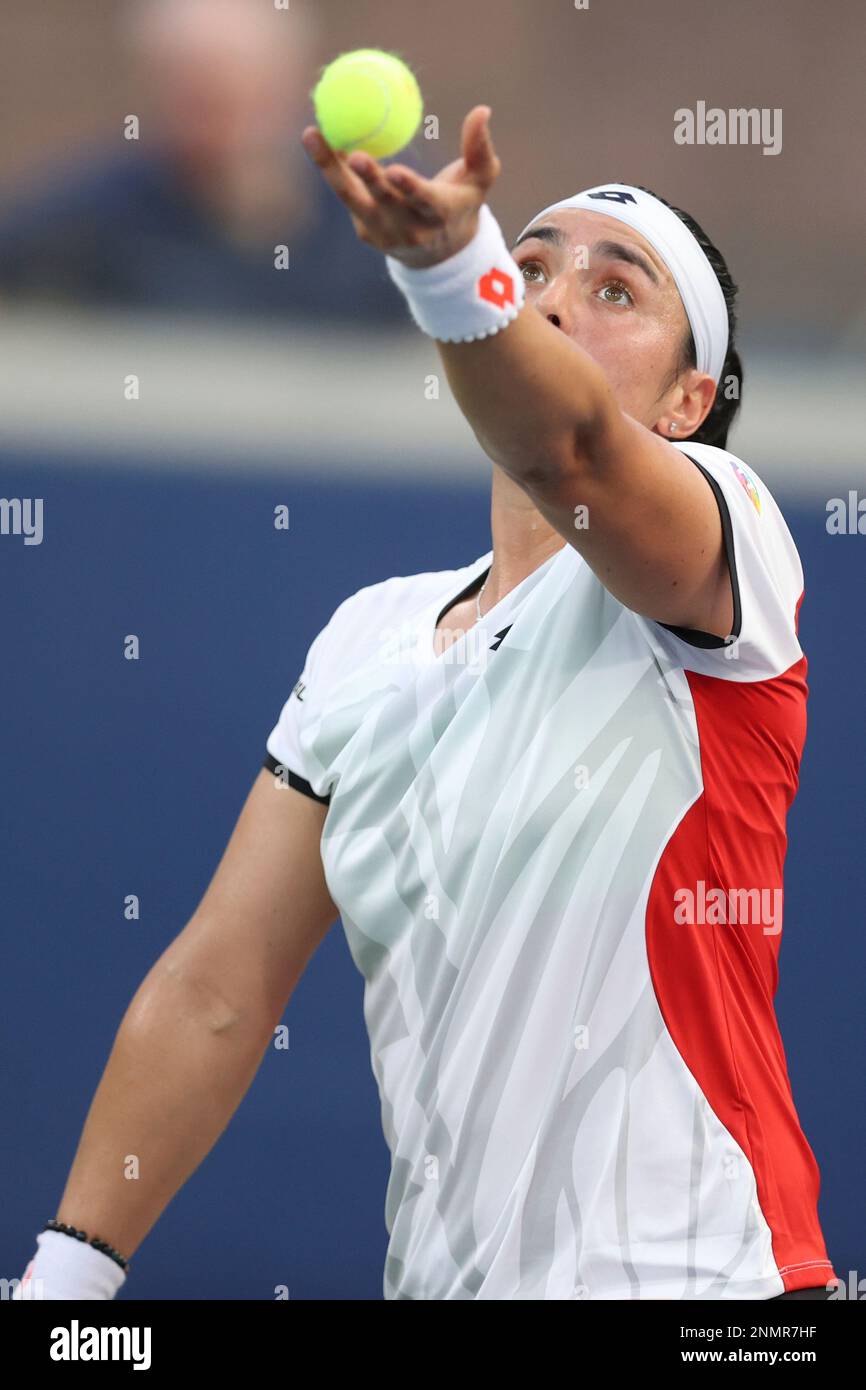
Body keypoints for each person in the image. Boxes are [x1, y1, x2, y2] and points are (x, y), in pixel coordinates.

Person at [13, 108, 837, 1302]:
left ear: (684, 402)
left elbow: (572, 454)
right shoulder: (365, 637)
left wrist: (458, 272)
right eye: (538, 265)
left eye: (618, 292)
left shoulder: (732, 539)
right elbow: (218, 985)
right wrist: (66, 1282)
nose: (553, 298)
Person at [0, 0, 411, 324]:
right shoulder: (83, 219)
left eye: (240, 92)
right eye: (195, 97)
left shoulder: (384, 205)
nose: (219, 123)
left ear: (291, 83)